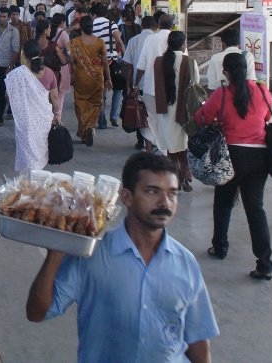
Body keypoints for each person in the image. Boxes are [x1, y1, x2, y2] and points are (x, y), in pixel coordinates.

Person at [26, 152, 219, 363]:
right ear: (126, 197)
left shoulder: (185, 263)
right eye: (152, 191)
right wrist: (56, 251)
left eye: (172, 193)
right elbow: (37, 312)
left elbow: (198, 340)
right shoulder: (91, 256)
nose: (165, 202)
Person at [196, 52, 272, 280]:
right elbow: (267, 118)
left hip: (229, 156)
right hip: (259, 158)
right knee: (256, 210)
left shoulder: (221, 94)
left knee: (223, 203)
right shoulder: (262, 91)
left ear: (226, 72)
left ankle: (219, 247)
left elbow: (201, 118)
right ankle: (264, 264)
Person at [149, 31, 198, 191]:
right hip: (183, 110)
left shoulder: (159, 61)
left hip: (165, 109)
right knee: (182, 145)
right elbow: (195, 85)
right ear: (183, 44)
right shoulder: (189, 61)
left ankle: (177, 176)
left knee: (171, 147)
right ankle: (184, 174)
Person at [6, 40, 60, 172]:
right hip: (44, 121)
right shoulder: (49, 73)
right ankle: (37, 179)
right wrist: (56, 114)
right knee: (40, 152)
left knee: (27, 154)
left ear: (24, 55)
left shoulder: (17, 74)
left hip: (26, 122)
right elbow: (55, 98)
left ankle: (28, 183)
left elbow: (9, 96)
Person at [133, 14, 175, 151]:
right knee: (167, 120)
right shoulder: (177, 39)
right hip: (171, 89)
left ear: (158, 24)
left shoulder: (151, 39)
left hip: (150, 87)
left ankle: (150, 148)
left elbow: (141, 65)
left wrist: (136, 84)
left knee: (150, 120)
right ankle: (165, 150)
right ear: (173, 26)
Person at [69, 15, 110, 146]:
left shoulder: (74, 42)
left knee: (80, 104)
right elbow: (105, 63)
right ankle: (91, 125)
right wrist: (108, 79)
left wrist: (72, 76)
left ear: (80, 27)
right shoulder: (100, 42)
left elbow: (72, 62)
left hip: (81, 77)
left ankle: (84, 130)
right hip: (97, 77)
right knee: (96, 104)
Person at [122, 15, 157, 149]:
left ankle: (142, 141)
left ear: (141, 26)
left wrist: (129, 86)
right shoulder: (159, 41)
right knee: (153, 114)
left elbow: (129, 66)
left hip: (139, 84)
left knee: (139, 112)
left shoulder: (133, 41)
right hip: (155, 85)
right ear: (155, 27)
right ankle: (152, 142)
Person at [92, 4, 125, 130]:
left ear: (94, 14)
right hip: (113, 61)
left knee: (102, 92)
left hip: (97, 62)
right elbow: (119, 41)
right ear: (106, 14)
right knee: (118, 90)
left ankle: (102, 120)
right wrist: (123, 56)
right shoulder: (111, 24)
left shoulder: (92, 25)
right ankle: (114, 117)